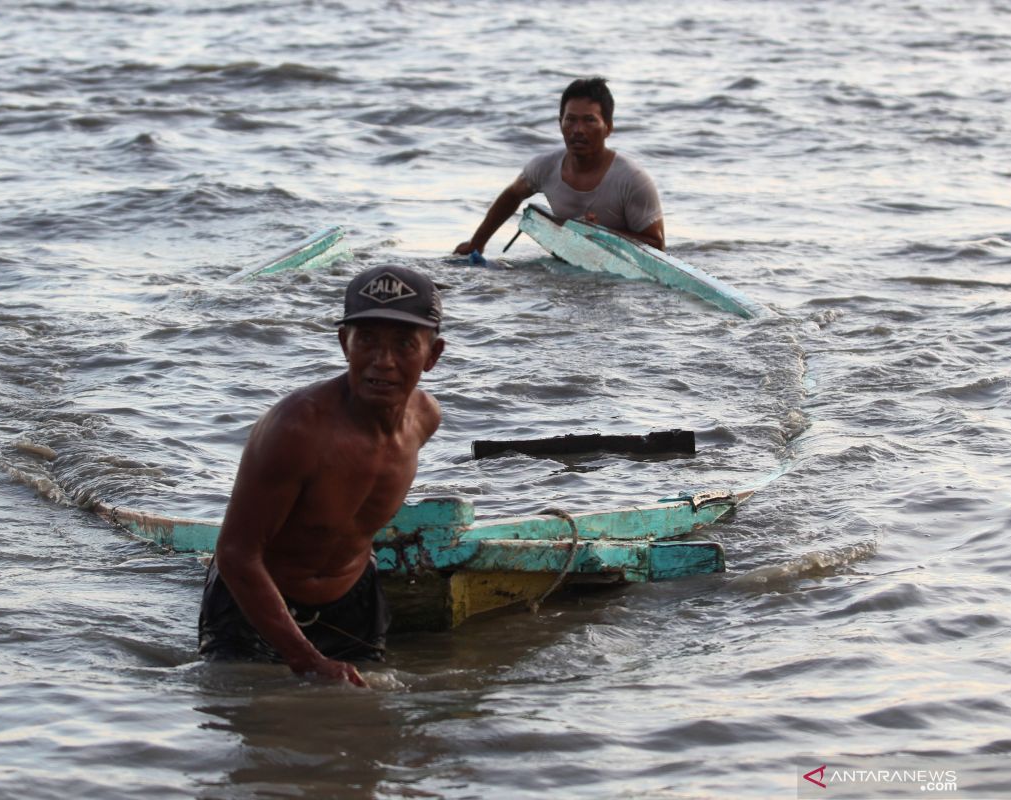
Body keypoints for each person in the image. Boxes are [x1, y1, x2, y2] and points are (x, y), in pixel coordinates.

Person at [198, 265, 445, 687]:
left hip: (352, 603)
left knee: (367, 731)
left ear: (432, 355)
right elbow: (237, 553)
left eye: (404, 344)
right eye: (366, 339)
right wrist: (306, 659)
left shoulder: (424, 420)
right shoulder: (296, 429)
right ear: (344, 343)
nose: (383, 362)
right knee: (254, 726)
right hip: (254, 607)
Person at [454, 76, 665, 255]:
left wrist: (600, 233)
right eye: (570, 120)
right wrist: (477, 244)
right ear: (560, 123)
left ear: (608, 128)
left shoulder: (632, 179)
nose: (578, 130)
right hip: (567, 267)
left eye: (589, 120)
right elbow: (512, 195)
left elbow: (657, 246)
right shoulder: (545, 167)